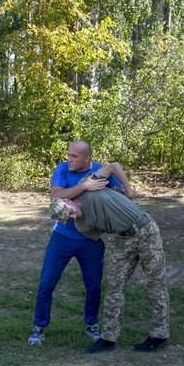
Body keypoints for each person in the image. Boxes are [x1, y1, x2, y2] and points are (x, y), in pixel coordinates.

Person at [49, 163, 169, 353]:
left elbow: (114, 166)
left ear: (70, 201)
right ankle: (108, 338)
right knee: (114, 286)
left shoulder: (87, 185)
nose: (73, 216)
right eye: (68, 217)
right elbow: (102, 230)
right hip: (122, 239)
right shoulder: (81, 225)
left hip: (146, 231)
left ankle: (159, 335)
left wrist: (127, 191)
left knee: (154, 283)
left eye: (70, 211)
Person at [28, 140, 125, 346]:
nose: (69, 159)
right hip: (62, 237)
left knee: (93, 286)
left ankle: (91, 324)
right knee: (46, 283)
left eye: (74, 156)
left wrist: (111, 193)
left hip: (90, 239)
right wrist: (85, 186)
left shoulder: (100, 170)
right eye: (69, 155)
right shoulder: (63, 169)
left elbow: (121, 194)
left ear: (87, 158)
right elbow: (55, 195)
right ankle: (39, 327)